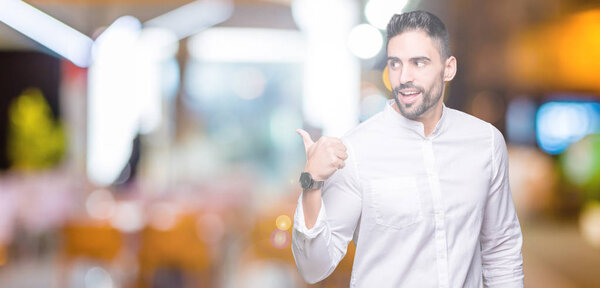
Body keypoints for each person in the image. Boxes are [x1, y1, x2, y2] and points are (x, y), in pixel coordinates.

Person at [292, 10, 524, 288]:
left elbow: (501, 248)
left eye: (419, 63)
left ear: (448, 68)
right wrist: (311, 184)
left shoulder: (485, 142)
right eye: (395, 64)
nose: (403, 78)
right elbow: (314, 267)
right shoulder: (356, 149)